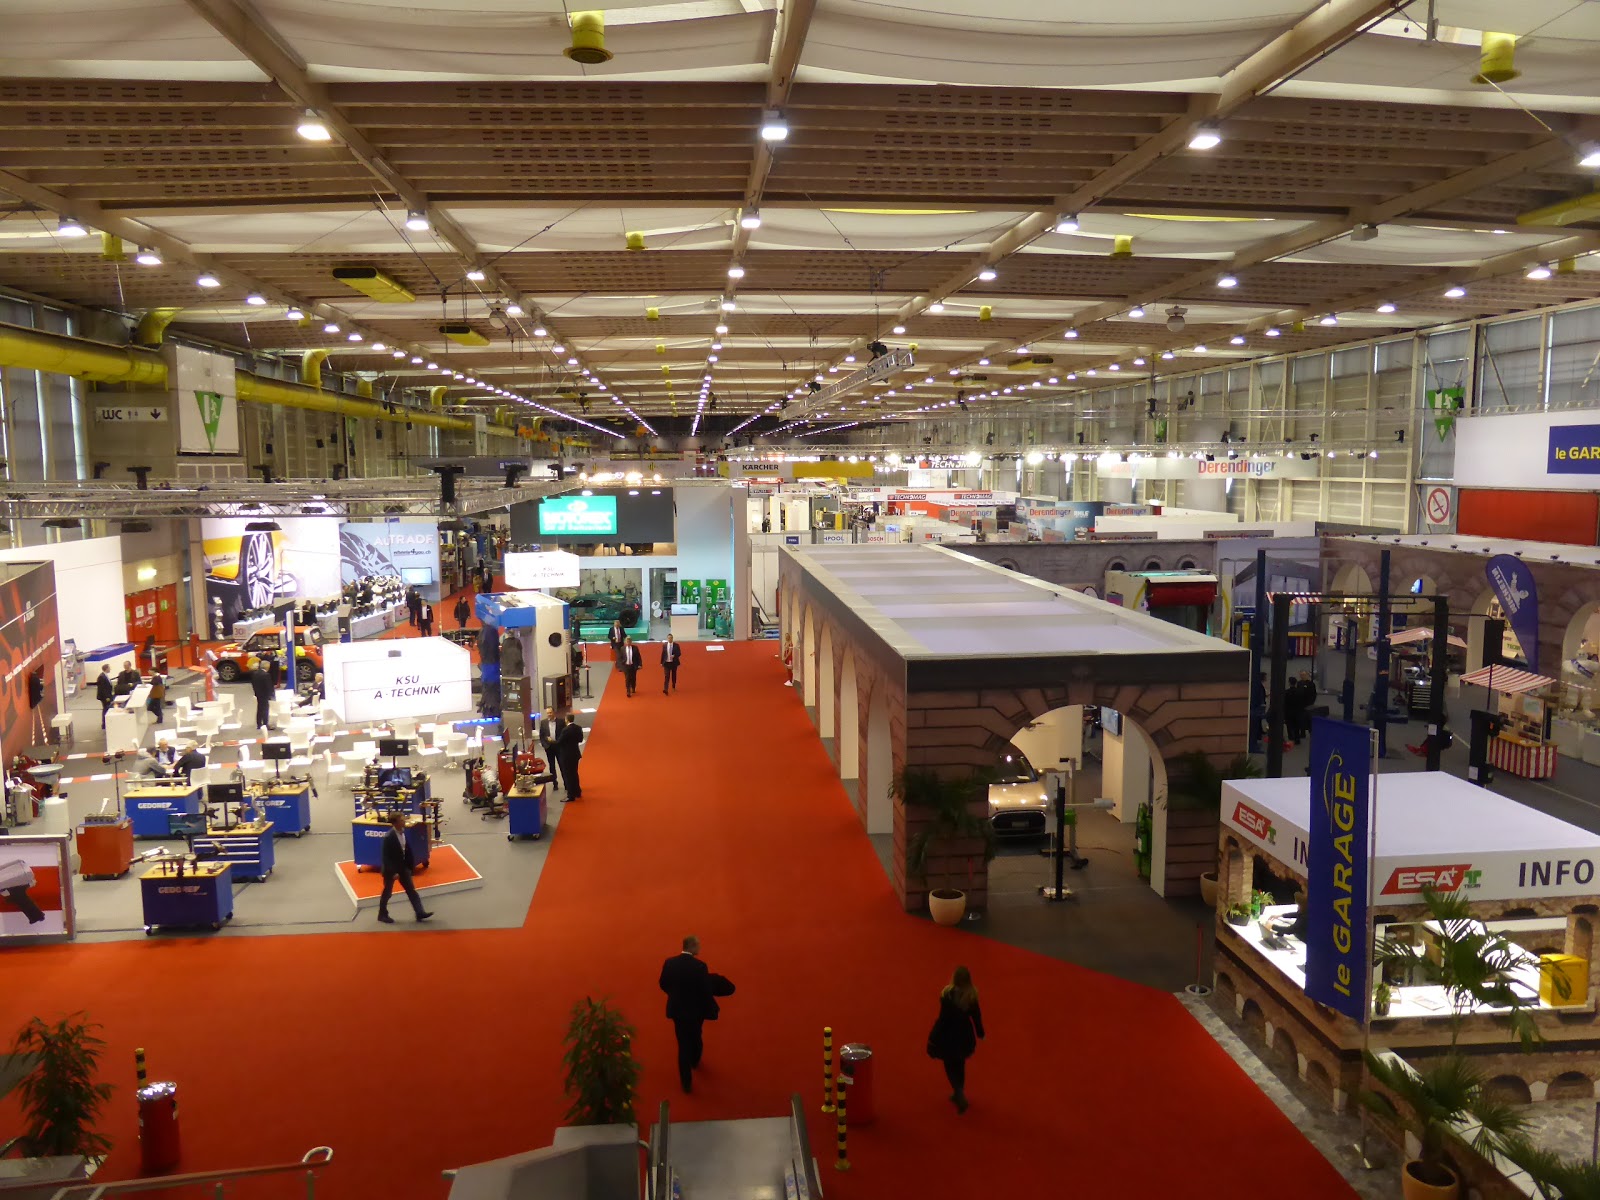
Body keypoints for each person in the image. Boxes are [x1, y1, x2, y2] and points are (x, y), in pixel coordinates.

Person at [659, 935, 734, 1094]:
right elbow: (705, 990)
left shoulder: (669, 962)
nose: (700, 948)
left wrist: (675, 995)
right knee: (696, 1036)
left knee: (682, 1044)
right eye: (698, 945)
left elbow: (663, 983)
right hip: (695, 1012)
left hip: (677, 1010)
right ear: (692, 947)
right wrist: (711, 1009)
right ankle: (695, 1060)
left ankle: (686, 1083)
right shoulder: (700, 966)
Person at [925, 966, 984, 1114]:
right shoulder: (971, 996)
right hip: (964, 1035)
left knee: (949, 1064)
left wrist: (933, 1036)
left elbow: (943, 1020)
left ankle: (958, 1092)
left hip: (949, 1035)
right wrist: (980, 1032)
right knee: (960, 1063)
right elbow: (976, 1017)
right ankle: (959, 1091)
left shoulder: (947, 995)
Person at [377, 812, 432, 924]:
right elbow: (386, 857)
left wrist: (410, 867)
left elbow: (406, 850)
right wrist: (393, 873)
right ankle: (382, 914)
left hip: (403, 867)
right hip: (391, 870)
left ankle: (420, 912)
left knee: (411, 891)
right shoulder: (389, 837)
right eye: (402, 820)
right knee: (387, 893)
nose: (404, 822)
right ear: (396, 823)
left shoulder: (403, 833)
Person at [555, 713, 583, 801]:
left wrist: (551, 741)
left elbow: (559, 742)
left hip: (566, 755)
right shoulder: (578, 728)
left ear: (566, 719)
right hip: (575, 754)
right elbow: (580, 739)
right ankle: (577, 791)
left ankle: (570, 795)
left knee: (568, 775)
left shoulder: (565, 730)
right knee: (574, 773)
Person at [538, 707, 563, 795]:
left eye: (550, 712)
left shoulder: (561, 722)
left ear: (554, 712)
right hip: (549, 747)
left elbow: (563, 734)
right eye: (548, 713)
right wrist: (545, 745)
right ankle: (554, 783)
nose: (549, 714)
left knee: (562, 765)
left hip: (559, 746)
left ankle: (566, 783)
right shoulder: (543, 722)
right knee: (552, 766)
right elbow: (541, 735)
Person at [249, 660, 275, 732]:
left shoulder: (255, 674)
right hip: (265, 694)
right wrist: (271, 694)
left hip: (258, 694)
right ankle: (265, 724)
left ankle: (259, 724)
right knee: (265, 709)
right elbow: (268, 686)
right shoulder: (266, 675)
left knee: (260, 709)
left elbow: (253, 684)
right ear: (267, 667)